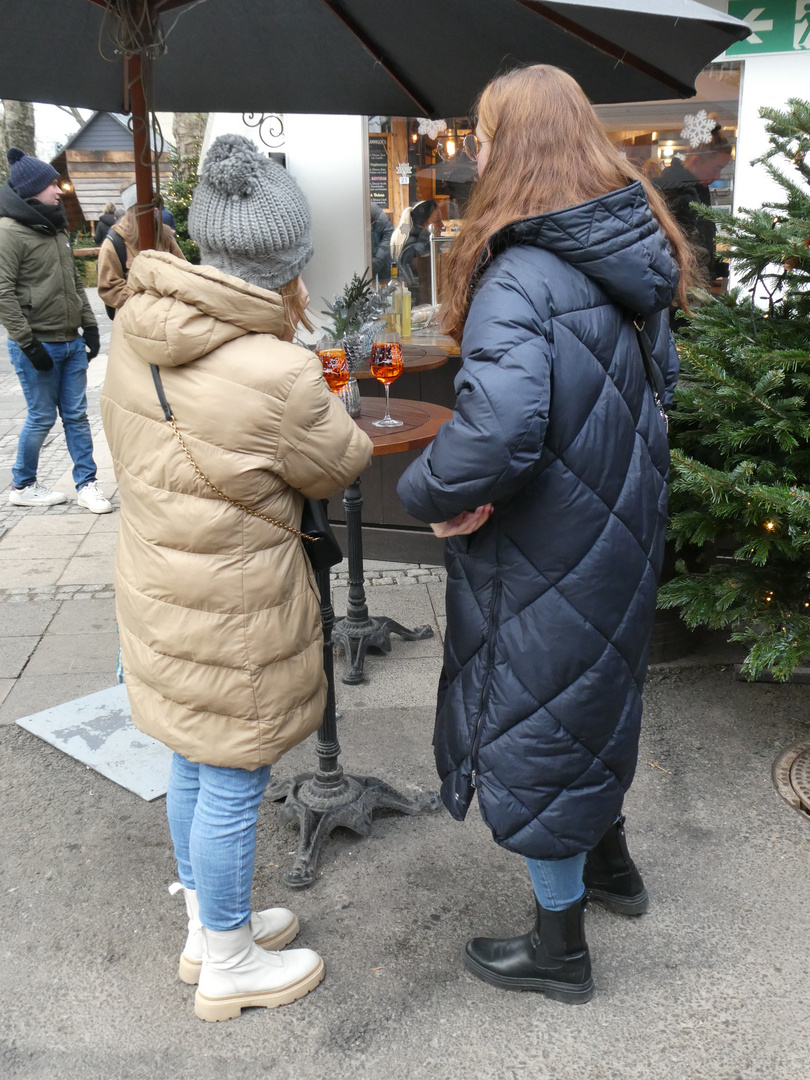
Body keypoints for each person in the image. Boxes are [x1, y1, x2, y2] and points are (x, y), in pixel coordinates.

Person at [397, 65, 696, 1004]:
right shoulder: (632, 251)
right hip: (618, 527)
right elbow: (660, 391)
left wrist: (426, 491)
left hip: (547, 540)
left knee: (537, 715)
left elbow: (500, 429)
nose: (476, 151)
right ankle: (612, 869)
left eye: (483, 134)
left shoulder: (520, 270)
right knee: (591, 698)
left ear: (511, 148)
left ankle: (559, 948)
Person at [100, 134, 372, 1022]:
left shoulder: (134, 337)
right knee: (238, 773)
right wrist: (345, 407)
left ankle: (206, 931)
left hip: (160, 590)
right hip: (238, 609)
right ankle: (228, 966)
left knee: (191, 751)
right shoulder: (280, 371)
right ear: (288, 264)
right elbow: (339, 467)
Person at [0, 147, 111, 513]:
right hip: (37, 344)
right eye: (52, 184)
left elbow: (74, 284)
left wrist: (91, 327)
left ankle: (88, 485)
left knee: (77, 416)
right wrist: (27, 343)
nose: (59, 190)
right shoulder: (9, 232)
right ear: (33, 188)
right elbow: (2, 291)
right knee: (42, 417)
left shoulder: (56, 227)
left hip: (70, 342)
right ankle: (23, 484)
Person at [97, 183, 185, 317]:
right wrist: (147, 301)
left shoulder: (164, 234)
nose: (155, 208)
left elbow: (184, 270)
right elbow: (108, 288)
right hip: (134, 323)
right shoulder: (114, 242)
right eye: (150, 204)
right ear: (135, 209)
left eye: (155, 204)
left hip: (169, 319)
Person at [654, 135, 732, 283]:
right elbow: (682, 251)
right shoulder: (677, 192)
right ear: (696, 161)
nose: (718, 176)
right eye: (717, 168)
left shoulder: (697, 188)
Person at [397, 198, 443, 301]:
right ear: (423, 224)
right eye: (437, 221)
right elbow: (424, 285)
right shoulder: (418, 250)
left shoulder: (419, 245)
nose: (442, 225)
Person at [370, 200, 393, 281]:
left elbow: (388, 233)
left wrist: (377, 260)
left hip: (382, 264)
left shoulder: (371, 210)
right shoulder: (373, 209)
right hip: (377, 261)